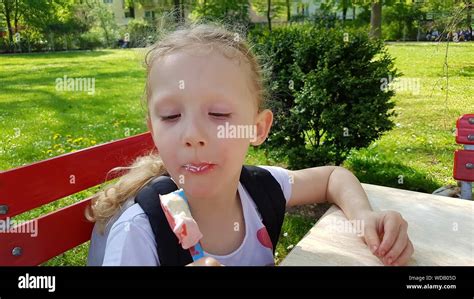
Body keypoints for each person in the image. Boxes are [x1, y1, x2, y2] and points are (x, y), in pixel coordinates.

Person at [86, 23, 414, 267]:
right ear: (154, 131)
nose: (192, 134)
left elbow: (333, 177)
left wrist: (365, 215)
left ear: (258, 129)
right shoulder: (139, 234)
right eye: (171, 116)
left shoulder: (259, 190)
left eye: (218, 113)